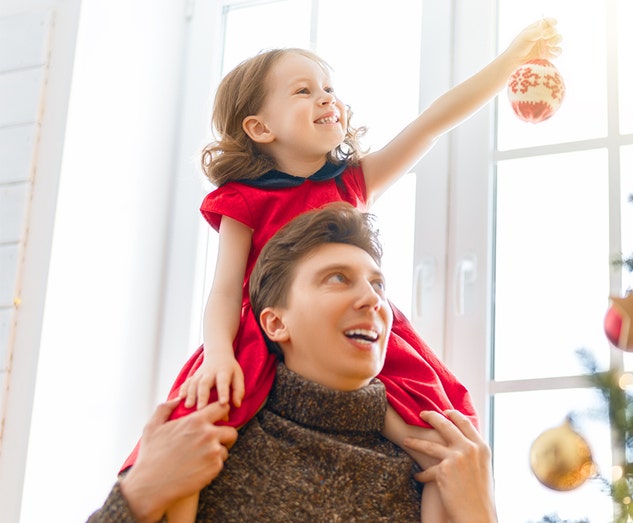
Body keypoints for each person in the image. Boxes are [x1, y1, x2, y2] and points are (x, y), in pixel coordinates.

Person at [116, 17, 560, 522]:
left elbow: (431, 125)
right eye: (304, 91)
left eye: (329, 88)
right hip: (260, 333)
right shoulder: (244, 200)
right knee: (200, 418)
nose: (327, 97)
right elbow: (223, 291)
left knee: (445, 438)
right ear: (260, 128)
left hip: (358, 334)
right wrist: (219, 354)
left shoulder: (352, 183)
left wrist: (509, 63)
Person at [90, 202, 497, 522]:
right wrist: (138, 495)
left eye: (378, 284)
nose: (374, 299)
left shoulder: (443, 469)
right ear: (275, 322)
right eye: (337, 278)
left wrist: (481, 515)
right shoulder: (205, 450)